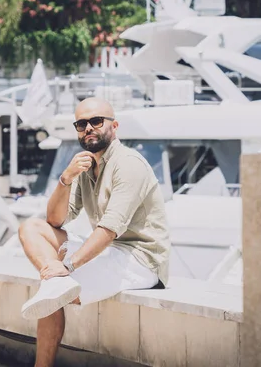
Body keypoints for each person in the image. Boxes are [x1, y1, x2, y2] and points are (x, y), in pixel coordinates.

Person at [18, 97, 170, 367]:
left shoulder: (128, 164)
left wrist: (69, 265)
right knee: (31, 228)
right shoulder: (86, 167)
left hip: (141, 259)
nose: (88, 128)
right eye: (81, 124)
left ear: (114, 125)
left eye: (96, 121)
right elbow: (54, 219)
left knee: (55, 289)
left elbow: (109, 229)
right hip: (110, 251)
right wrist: (66, 178)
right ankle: (56, 281)